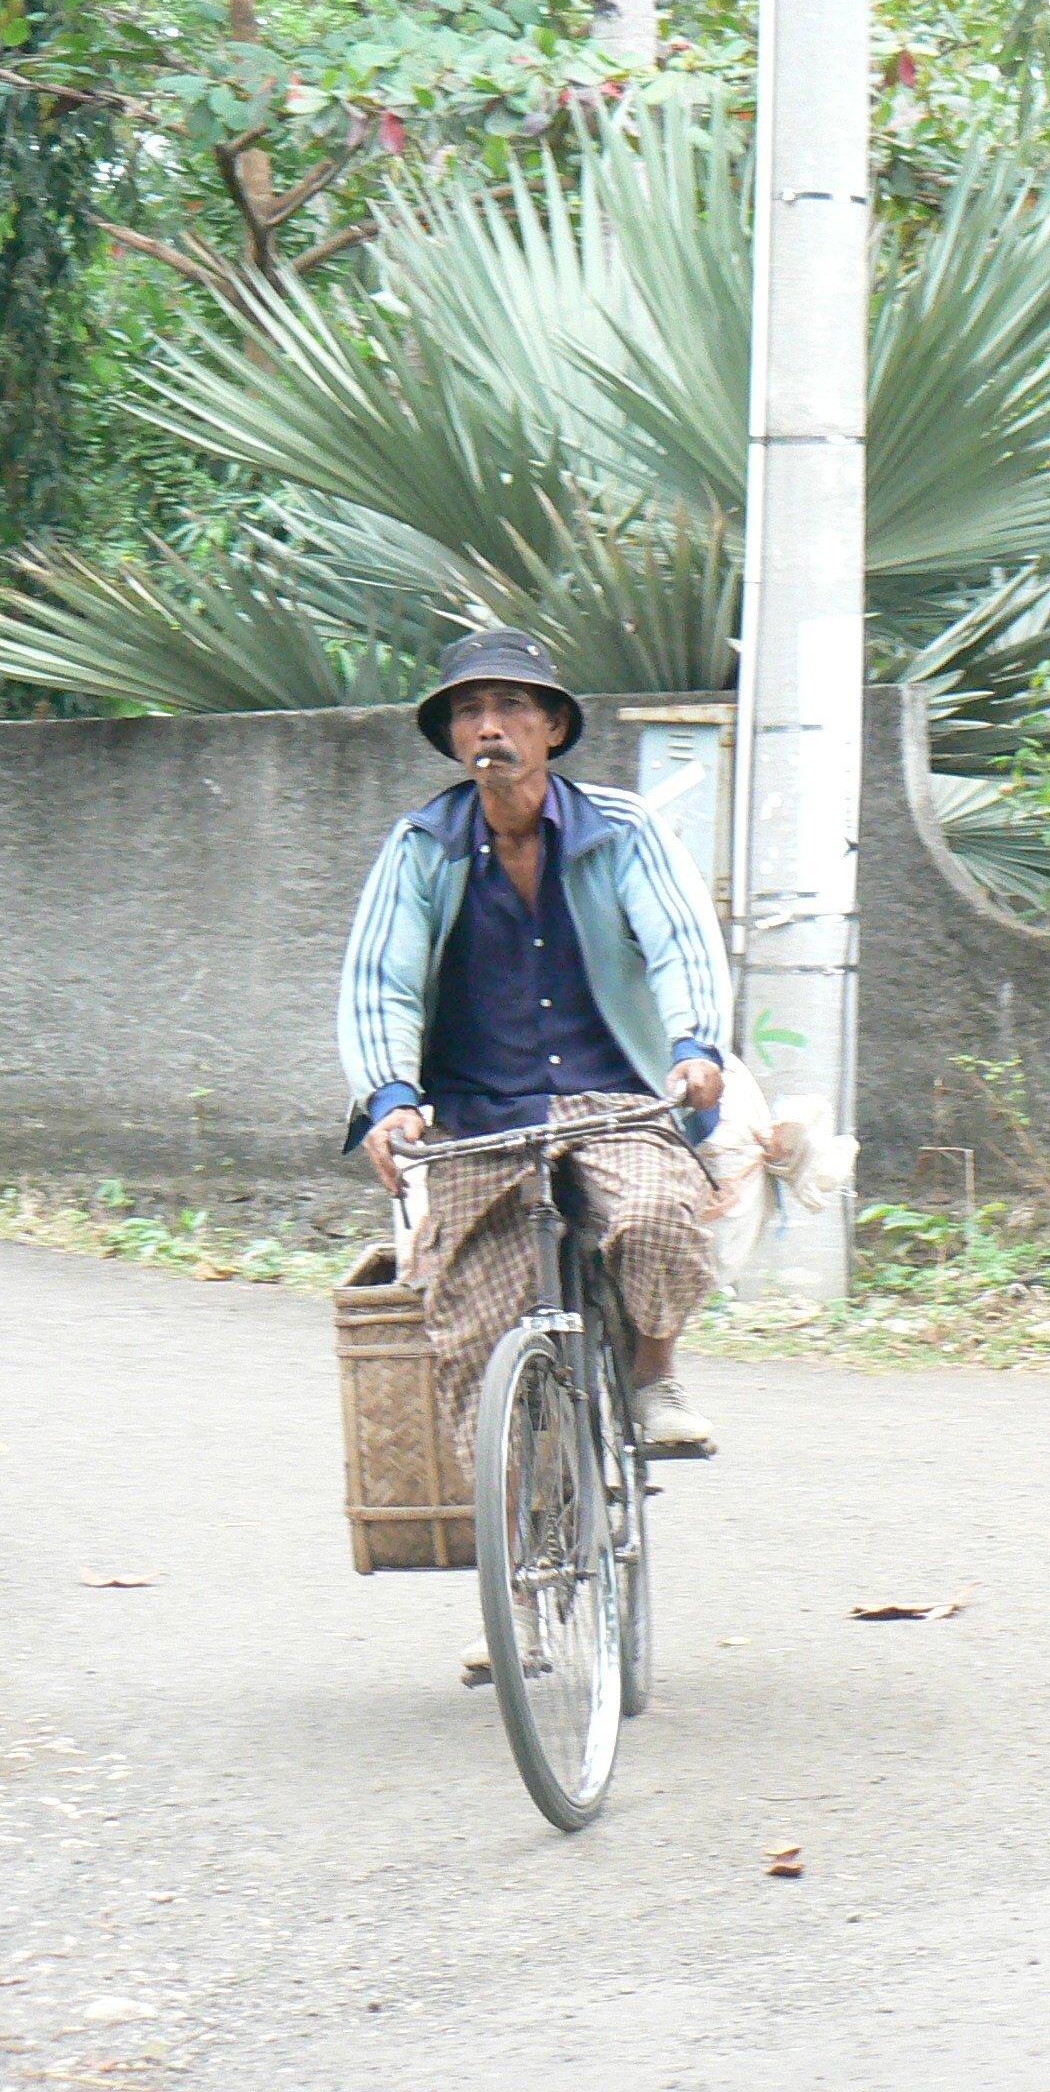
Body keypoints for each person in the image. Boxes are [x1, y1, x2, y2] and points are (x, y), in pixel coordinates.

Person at [336, 628, 730, 1681]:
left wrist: (694, 1050)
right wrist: (389, 1099)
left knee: (654, 1215)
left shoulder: (620, 830)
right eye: (470, 712)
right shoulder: (421, 846)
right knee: (473, 1338)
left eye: (513, 707)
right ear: (453, 736)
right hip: (477, 1116)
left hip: (613, 1097)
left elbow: (681, 944)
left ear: (552, 728)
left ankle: (650, 1367)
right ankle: (516, 1593)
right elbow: (380, 977)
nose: (490, 728)